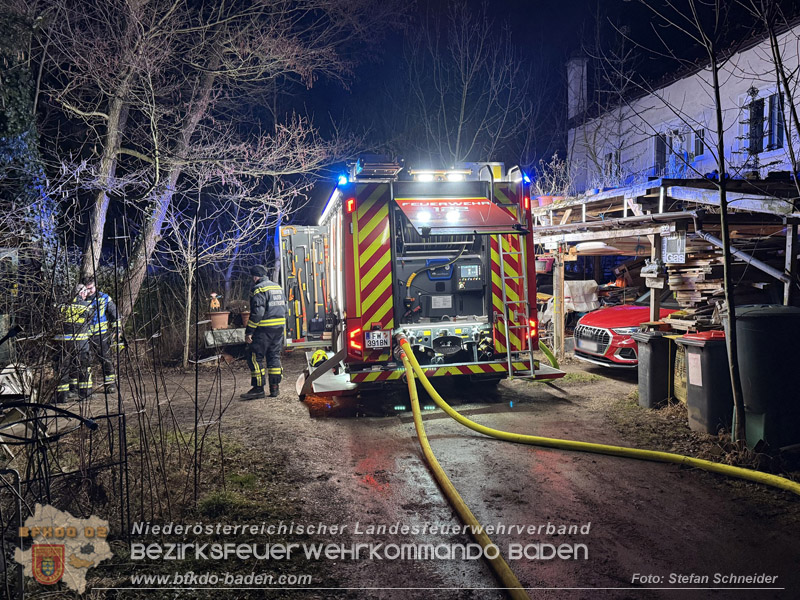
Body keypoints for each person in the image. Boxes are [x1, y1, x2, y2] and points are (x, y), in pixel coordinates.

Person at [241, 265, 286, 399]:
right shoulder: (277, 287)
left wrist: (249, 332)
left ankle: (258, 388)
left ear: (255, 277)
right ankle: (274, 388)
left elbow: (258, 313)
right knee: (274, 356)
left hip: (264, 329)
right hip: (279, 328)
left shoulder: (259, 289)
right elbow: (285, 308)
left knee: (254, 356)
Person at [53, 284, 92, 403]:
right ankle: (85, 395)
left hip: (63, 343)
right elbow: (90, 320)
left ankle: (62, 397)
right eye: (85, 293)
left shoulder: (61, 306)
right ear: (81, 293)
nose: (86, 296)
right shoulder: (87, 306)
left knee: (62, 369)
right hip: (81, 343)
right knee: (83, 368)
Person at [82, 277, 120, 394]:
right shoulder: (80, 299)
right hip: (85, 337)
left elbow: (114, 314)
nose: (89, 291)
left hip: (101, 335)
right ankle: (86, 388)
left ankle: (110, 385)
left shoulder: (104, 298)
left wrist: (117, 329)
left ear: (95, 286)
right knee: (85, 362)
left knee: (106, 359)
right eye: (87, 289)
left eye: (91, 288)